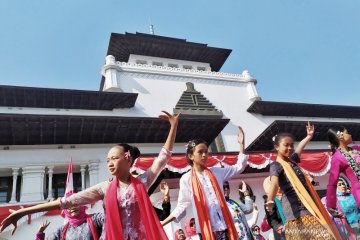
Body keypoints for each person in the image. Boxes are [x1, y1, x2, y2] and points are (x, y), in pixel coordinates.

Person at [0, 111, 180, 240]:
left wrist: (173, 126)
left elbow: (163, 158)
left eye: (114, 158)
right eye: (107, 159)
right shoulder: (105, 188)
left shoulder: (142, 183)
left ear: (128, 159)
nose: (109, 163)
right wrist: (23, 211)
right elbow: (66, 201)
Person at [161, 127, 249, 240]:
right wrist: (164, 222)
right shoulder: (186, 179)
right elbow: (182, 205)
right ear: (191, 156)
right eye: (200, 152)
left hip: (225, 226)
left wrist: (241, 145)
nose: (204, 155)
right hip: (206, 229)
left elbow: (238, 167)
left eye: (206, 152)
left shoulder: (216, 172)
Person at [265, 122, 341, 240]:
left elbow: (299, 149)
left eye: (292, 145)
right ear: (276, 147)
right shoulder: (276, 165)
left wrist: (309, 136)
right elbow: (274, 183)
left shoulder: (292, 162)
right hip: (296, 213)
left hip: (309, 208)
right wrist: (270, 199)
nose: (290, 148)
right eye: (286, 145)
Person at [326, 127, 360, 212]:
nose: (350, 135)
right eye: (347, 133)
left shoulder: (357, 149)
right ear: (340, 136)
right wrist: (331, 205)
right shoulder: (337, 158)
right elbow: (332, 183)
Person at [35, 204, 104, 240]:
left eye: (75, 204)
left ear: (82, 205)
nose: (72, 207)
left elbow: (109, 219)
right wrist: (40, 233)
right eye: (68, 206)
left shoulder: (95, 219)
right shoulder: (62, 230)